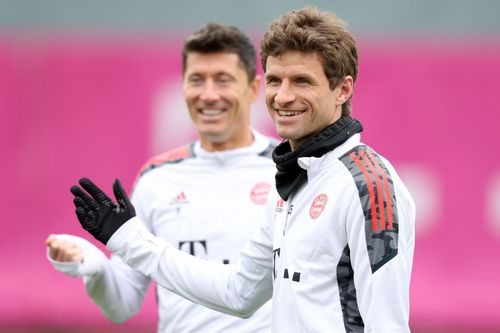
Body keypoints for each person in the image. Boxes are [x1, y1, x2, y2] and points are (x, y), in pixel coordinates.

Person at [67, 7, 416, 333]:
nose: (282, 97)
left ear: (342, 89)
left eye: (302, 81)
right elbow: (238, 291)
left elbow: (389, 325)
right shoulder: (294, 180)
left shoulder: (367, 183)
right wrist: (127, 238)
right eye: (276, 80)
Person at [46, 23, 277, 332]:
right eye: (197, 80)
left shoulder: (288, 170)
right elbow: (122, 304)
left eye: (223, 80)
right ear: (183, 86)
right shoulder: (157, 179)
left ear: (252, 88)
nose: (208, 95)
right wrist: (95, 267)